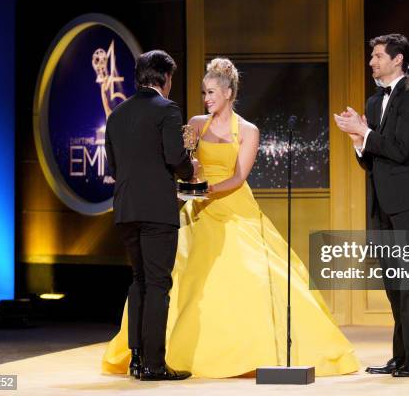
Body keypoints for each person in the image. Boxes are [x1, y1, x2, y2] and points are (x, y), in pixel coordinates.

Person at [102, 57, 360, 378]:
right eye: (203, 92)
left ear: (228, 92)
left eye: (211, 92)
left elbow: (238, 178)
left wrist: (204, 188)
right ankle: (149, 354)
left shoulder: (249, 130)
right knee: (169, 278)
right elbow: (181, 160)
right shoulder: (195, 124)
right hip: (196, 208)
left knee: (250, 273)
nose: (206, 98)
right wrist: (189, 184)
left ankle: (239, 350)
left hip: (233, 206)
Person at [334, 33, 409, 377]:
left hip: (406, 200)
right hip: (380, 200)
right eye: (372, 56)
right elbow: (371, 160)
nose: (371, 61)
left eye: (377, 56)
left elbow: (403, 150)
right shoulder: (375, 102)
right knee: (392, 281)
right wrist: (358, 139)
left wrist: (365, 132)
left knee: (407, 278)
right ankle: (401, 355)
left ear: (397, 60)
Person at [104, 49, 198, 381]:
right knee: (158, 284)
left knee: (139, 281)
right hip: (157, 210)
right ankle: (154, 365)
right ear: (165, 78)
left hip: (126, 209)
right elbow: (175, 156)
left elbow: (113, 166)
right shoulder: (167, 109)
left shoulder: (116, 115)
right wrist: (191, 169)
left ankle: (136, 360)